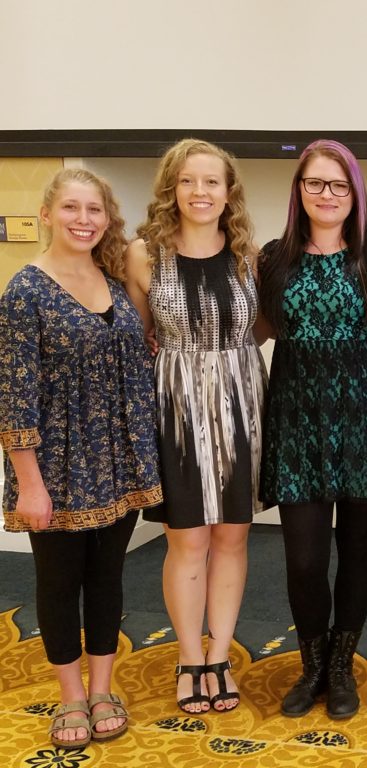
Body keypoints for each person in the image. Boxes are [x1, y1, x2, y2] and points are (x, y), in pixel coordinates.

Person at [0, 169, 162, 748]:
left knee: (107, 577)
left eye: (94, 210)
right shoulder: (25, 290)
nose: (84, 220)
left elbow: (134, 354)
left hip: (117, 460)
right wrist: (29, 485)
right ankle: (70, 697)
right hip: (58, 466)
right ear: (47, 214)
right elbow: (15, 397)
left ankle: (101, 688)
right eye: (71, 208)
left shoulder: (114, 279)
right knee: (59, 581)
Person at [257, 139, 367, 719]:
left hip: (365, 418)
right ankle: (311, 662)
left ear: (355, 195)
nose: (327, 195)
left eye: (338, 186)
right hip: (297, 417)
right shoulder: (272, 259)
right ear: (299, 191)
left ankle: (342, 666)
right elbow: (258, 331)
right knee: (304, 559)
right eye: (315, 184)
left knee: (359, 548)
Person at [125, 139, 267, 714]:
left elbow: (260, 330)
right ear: (172, 188)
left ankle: (220, 655)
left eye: (212, 182)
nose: (201, 192)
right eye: (189, 181)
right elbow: (137, 339)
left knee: (232, 536)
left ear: (228, 191)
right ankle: (189, 658)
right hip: (176, 408)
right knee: (187, 540)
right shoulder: (143, 255)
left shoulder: (248, 256)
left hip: (240, 403)